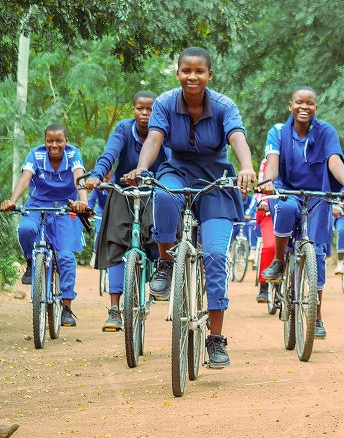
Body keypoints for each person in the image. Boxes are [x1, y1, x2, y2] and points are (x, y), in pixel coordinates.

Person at [124, 47, 256, 369]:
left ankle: (216, 338)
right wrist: (142, 168)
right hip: (177, 169)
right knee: (163, 195)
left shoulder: (224, 106)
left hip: (216, 179)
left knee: (215, 255)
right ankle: (166, 262)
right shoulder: (165, 103)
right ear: (178, 73)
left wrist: (247, 167)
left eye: (199, 71)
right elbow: (154, 139)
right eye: (186, 71)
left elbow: (237, 138)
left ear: (210, 75)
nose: (192, 77)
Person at [259, 87, 344, 339]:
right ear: (290, 105)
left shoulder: (326, 131)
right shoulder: (278, 131)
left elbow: (334, 160)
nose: (304, 107)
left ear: (316, 107)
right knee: (285, 207)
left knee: (317, 252)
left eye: (310, 103)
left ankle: (316, 316)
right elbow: (272, 161)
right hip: (287, 190)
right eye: (299, 103)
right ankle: (279, 261)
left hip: (318, 195)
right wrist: (269, 181)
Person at [85, 91, 167, 331]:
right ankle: (114, 309)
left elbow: (172, 160)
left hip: (155, 190)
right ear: (133, 110)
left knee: (159, 235)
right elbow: (109, 155)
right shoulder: (123, 129)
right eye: (140, 108)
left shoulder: (165, 130)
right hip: (123, 191)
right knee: (116, 244)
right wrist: (97, 175)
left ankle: (159, 278)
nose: (145, 113)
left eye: (150, 109)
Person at [1, 124, 90, 327]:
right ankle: (31, 262)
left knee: (66, 256)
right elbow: (25, 179)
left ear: (66, 142)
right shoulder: (36, 154)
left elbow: (79, 179)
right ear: (45, 141)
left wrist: (83, 202)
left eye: (59, 141)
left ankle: (66, 307)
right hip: (37, 205)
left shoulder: (73, 154)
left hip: (66, 207)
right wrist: (12, 200)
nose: (54, 145)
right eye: (50, 141)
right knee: (25, 229)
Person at [253, 156, 275, 303]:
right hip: (270, 212)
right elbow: (261, 187)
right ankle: (264, 285)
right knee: (270, 246)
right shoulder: (267, 161)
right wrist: (263, 202)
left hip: (295, 207)